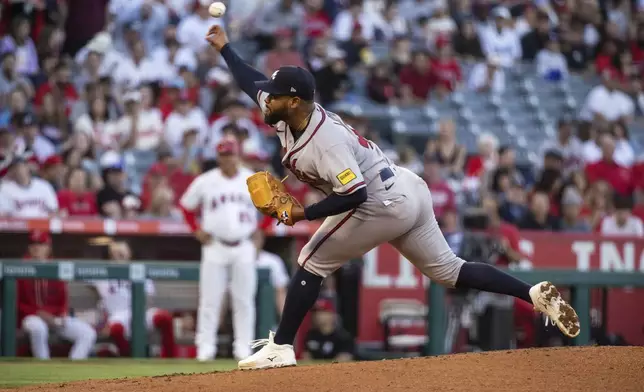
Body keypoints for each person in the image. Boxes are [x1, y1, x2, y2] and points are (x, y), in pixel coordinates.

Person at [205, 25, 580, 370]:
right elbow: (250, 80)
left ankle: (281, 349)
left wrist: (306, 213)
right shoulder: (289, 112)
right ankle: (531, 293)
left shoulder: (324, 141)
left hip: (379, 201)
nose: (265, 101)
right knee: (449, 271)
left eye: (274, 97)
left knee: (310, 261)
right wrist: (225, 49)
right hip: (406, 187)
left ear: (294, 101)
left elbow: (355, 193)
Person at [179, 137, 258, 361]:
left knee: (244, 300)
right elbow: (186, 207)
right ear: (218, 157)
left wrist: (261, 230)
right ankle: (206, 348)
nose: (227, 159)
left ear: (237, 155)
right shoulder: (205, 181)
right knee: (210, 300)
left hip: (243, 245)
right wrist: (196, 229)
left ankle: (243, 347)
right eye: (223, 155)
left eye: (230, 154)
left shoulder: (251, 179)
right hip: (214, 245)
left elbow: (274, 206)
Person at [17, 230, 97, 360]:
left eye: (41, 244)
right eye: (33, 244)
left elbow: (63, 298)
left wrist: (62, 315)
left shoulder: (55, 267)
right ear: (29, 247)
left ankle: (73, 368)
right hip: (30, 317)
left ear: (48, 247)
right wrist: (39, 313)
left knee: (88, 333)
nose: (37, 248)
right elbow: (16, 303)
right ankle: (43, 365)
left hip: (55, 317)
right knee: (38, 328)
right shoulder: (20, 268)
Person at [89, 240, 176, 357]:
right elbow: (80, 273)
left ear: (129, 254)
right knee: (116, 329)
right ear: (110, 256)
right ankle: (128, 357)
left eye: (121, 254)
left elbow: (148, 298)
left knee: (164, 318)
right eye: (114, 254)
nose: (118, 257)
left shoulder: (139, 270)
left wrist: (138, 317)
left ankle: (169, 359)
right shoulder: (102, 274)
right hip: (118, 316)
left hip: (140, 314)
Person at [252, 229, 289, 317]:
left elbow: (280, 291)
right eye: (251, 238)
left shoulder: (273, 261)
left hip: (265, 309)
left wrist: (285, 321)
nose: (253, 242)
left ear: (262, 240)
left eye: (256, 238)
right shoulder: (232, 260)